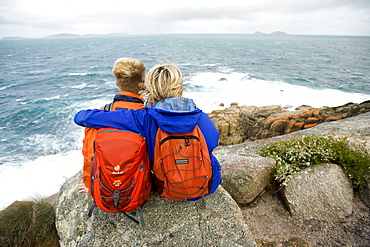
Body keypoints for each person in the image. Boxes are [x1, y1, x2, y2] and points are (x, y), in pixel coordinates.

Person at [74, 63, 222, 196]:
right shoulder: (200, 116)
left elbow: (82, 117)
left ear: (149, 88)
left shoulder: (143, 117)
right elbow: (213, 140)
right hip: (204, 186)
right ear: (179, 87)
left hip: (165, 186)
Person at [78, 57, 146, 194]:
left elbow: (89, 154)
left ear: (117, 84)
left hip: (105, 186)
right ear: (143, 86)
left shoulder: (98, 117)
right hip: (136, 185)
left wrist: (90, 185)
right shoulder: (146, 116)